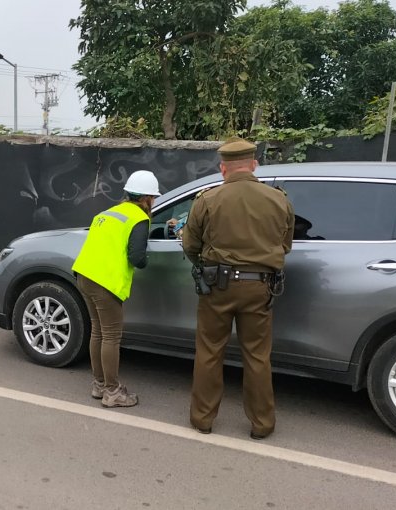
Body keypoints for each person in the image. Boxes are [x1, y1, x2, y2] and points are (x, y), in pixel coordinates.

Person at [181, 137, 294, 439]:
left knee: (209, 352)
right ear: (254, 164)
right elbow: (286, 245)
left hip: (217, 286)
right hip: (260, 287)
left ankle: (202, 419)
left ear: (223, 168)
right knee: (257, 356)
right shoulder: (278, 199)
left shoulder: (207, 199)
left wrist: (205, 262)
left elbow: (190, 245)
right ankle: (262, 424)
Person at [72, 170, 160, 408]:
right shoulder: (139, 218)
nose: (153, 202)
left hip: (84, 275)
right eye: (153, 198)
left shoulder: (107, 213)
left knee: (98, 332)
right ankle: (112, 392)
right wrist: (148, 258)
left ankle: (99, 385)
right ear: (146, 198)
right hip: (105, 282)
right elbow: (137, 258)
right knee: (111, 336)